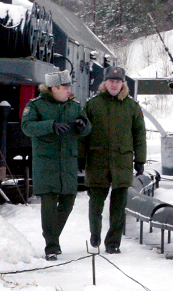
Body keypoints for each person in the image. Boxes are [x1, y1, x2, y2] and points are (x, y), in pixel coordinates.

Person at [21, 70, 90, 260]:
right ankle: (52, 246)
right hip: (46, 163)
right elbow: (27, 127)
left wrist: (82, 124)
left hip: (67, 161)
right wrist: (51, 126)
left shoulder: (73, 106)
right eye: (65, 87)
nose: (69, 90)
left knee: (68, 200)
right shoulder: (36, 105)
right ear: (54, 88)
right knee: (49, 205)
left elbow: (87, 126)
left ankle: (51, 235)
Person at [83, 65, 146, 254]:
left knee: (118, 208)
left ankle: (113, 243)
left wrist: (140, 159)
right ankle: (95, 234)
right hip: (97, 162)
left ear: (123, 84)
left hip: (121, 162)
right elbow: (83, 134)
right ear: (105, 82)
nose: (114, 84)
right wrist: (80, 157)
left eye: (118, 81)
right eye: (111, 81)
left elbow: (139, 134)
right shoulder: (93, 105)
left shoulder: (132, 106)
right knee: (96, 204)